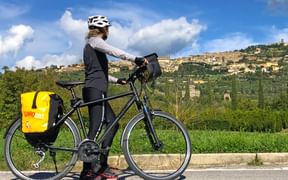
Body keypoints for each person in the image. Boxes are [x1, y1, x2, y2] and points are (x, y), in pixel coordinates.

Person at [80, 15, 148, 180]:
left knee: (113, 124)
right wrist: (136, 59)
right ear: (103, 28)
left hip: (95, 88)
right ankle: (88, 170)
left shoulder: (92, 44)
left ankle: (100, 165)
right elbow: (114, 51)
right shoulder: (95, 41)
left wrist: (117, 80)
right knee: (96, 129)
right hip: (95, 89)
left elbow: (99, 73)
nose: (108, 31)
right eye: (107, 28)